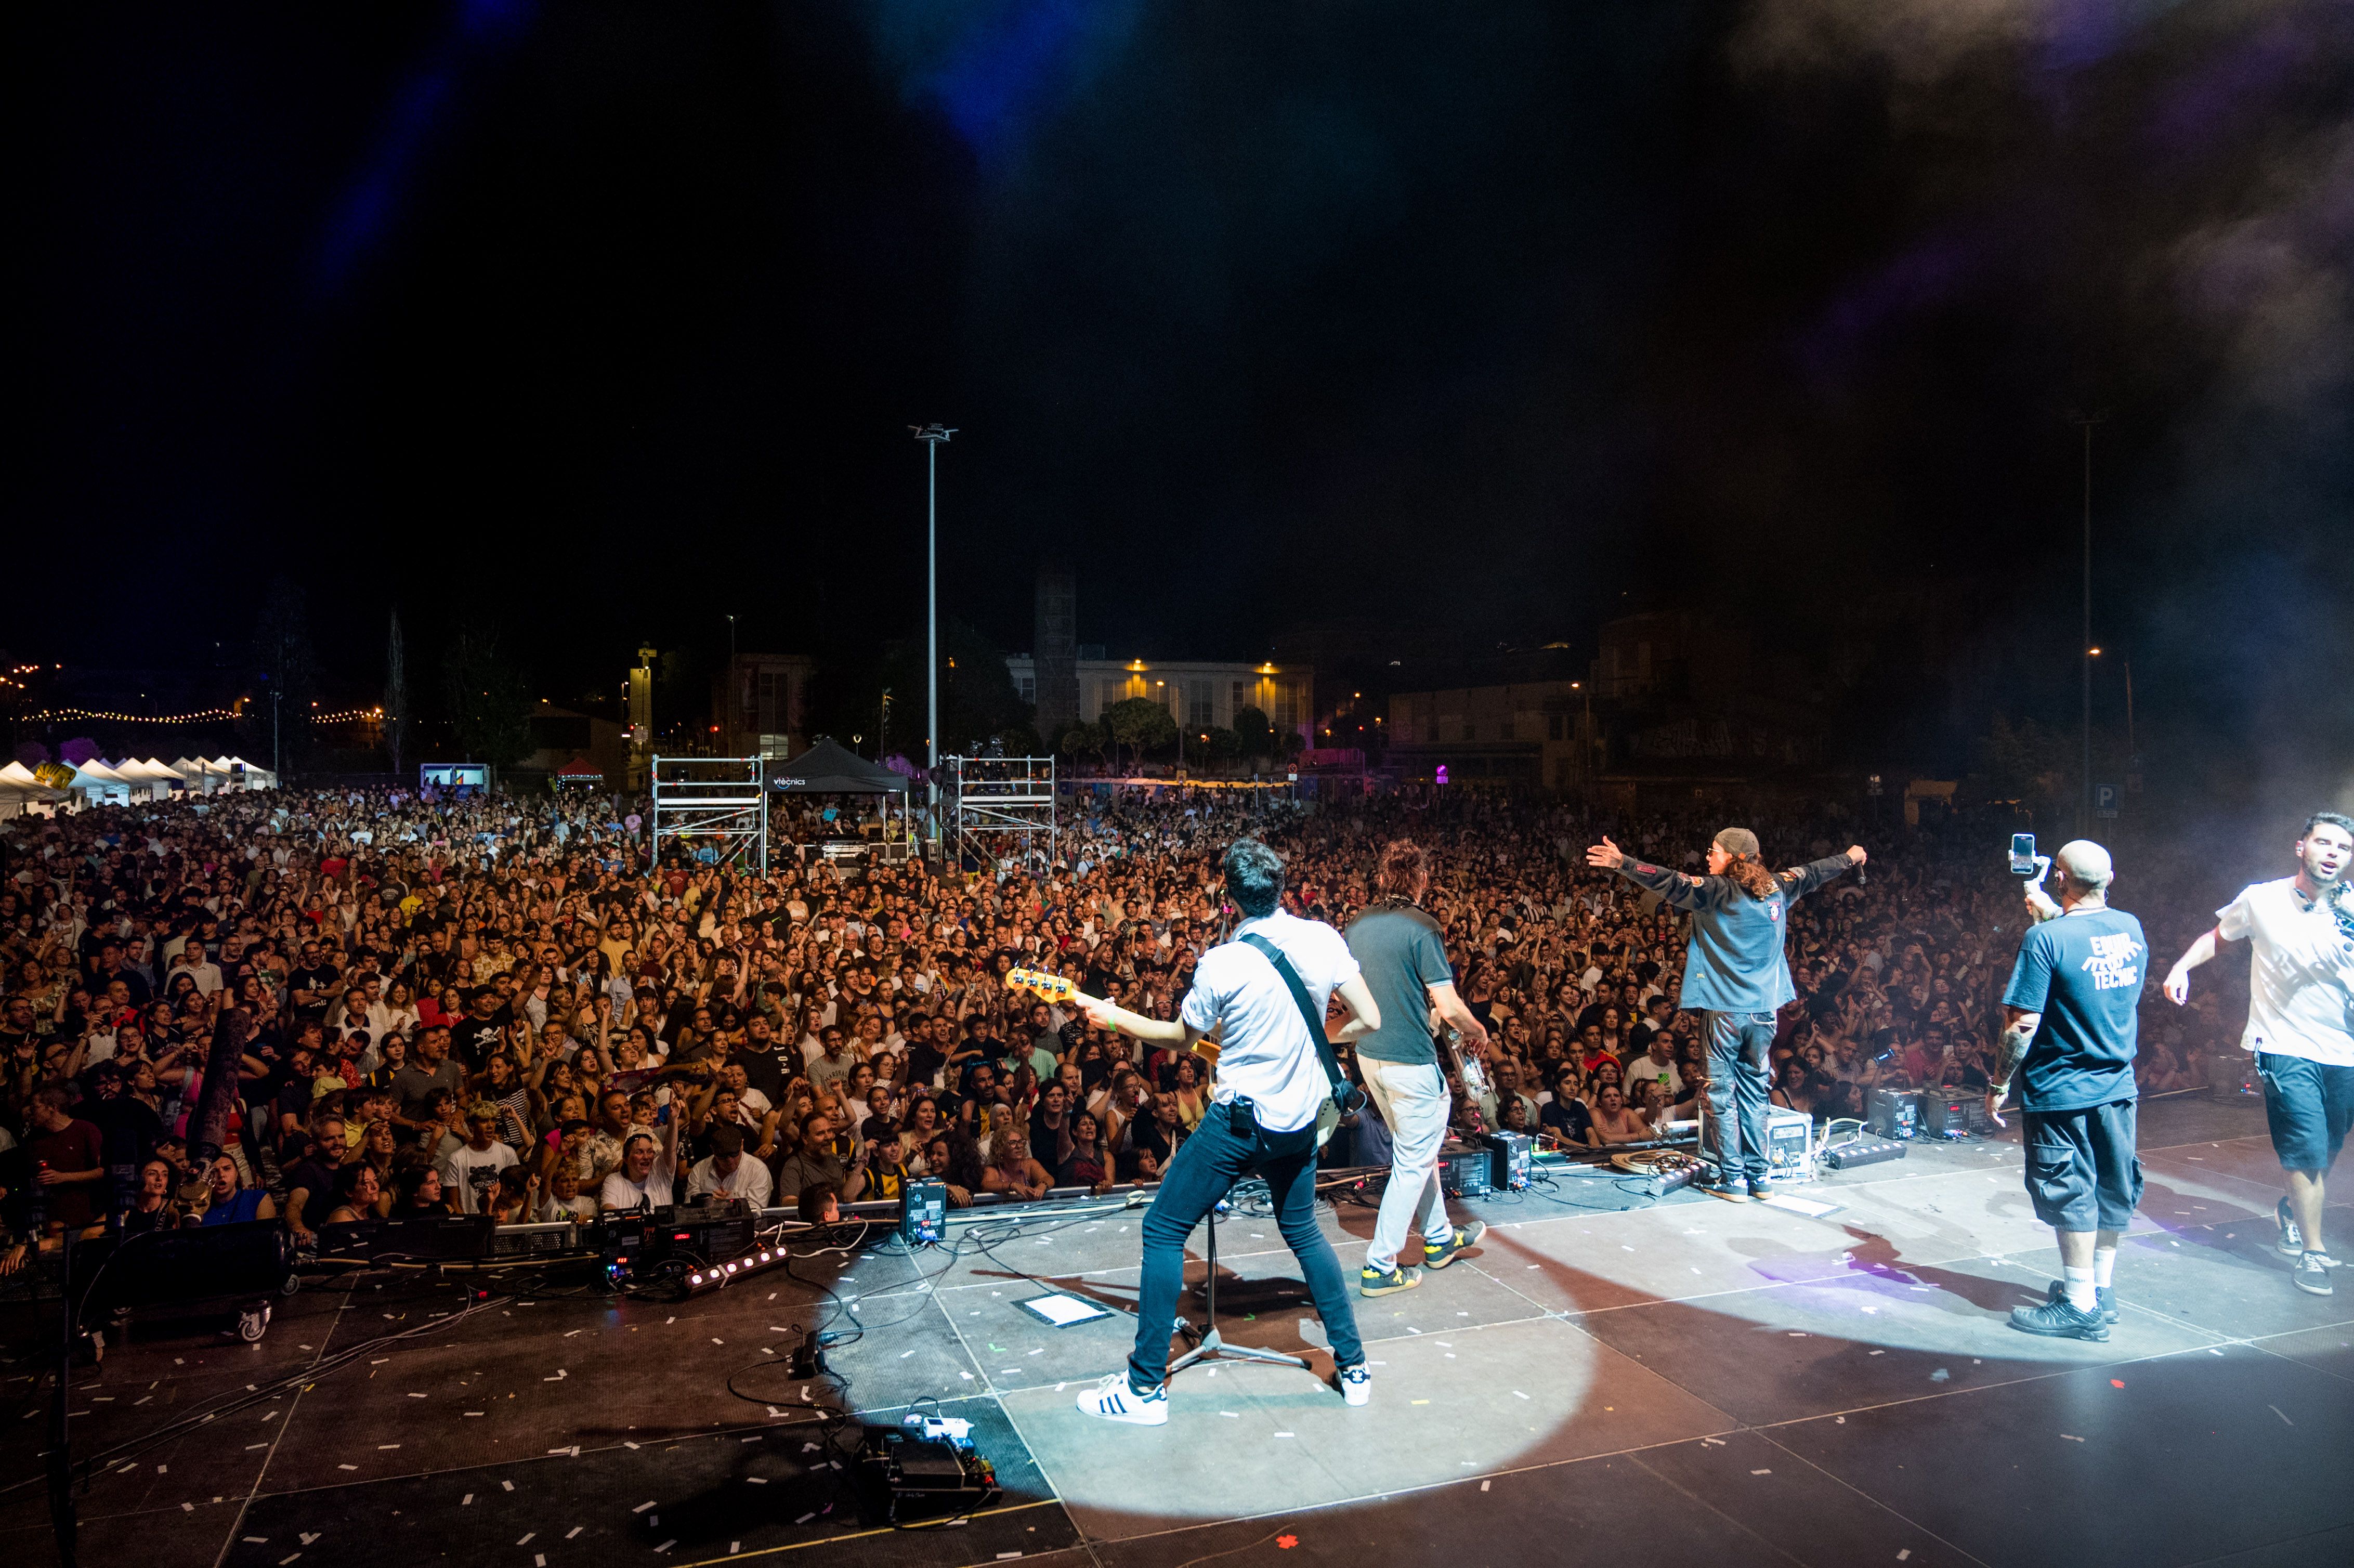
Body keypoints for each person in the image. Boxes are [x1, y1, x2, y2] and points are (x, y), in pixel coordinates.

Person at [1069, 837, 1381, 1426]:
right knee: (1304, 1233)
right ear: (1282, 886)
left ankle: (1142, 1390)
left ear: (1230, 898)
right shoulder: (1322, 938)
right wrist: (1313, 1036)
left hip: (1240, 1123)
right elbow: (1369, 1018)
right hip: (1300, 1124)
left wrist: (1112, 1016)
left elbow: (1178, 1039)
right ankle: (1356, 1367)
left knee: (1162, 1228)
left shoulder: (1222, 962)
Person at [1589, 827, 1862, 1200]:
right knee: (1754, 1093)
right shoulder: (1779, 886)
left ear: (1733, 857)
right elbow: (1815, 871)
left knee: (1721, 1095)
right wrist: (1849, 857)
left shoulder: (1715, 890)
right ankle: (1760, 1177)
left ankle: (1733, 1178)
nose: (1707, 857)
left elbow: (1669, 882)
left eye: (1713, 851)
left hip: (1726, 1014)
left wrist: (1623, 863)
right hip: (1765, 1015)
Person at [2163, 810, 2354, 1296]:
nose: (2334, 854)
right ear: (2301, 847)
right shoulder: (2261, 899)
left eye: (2344, 848)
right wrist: (2183, 967)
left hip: (2344, 1048)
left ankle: (2291, 1209)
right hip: (2282, 1044)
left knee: (2329, 1146)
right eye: (2324, 843)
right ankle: (2313, 1252)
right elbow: (2218, 938)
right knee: (2306, 1149)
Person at [1990, 841, 2146, 1340]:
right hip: (2117, 1085)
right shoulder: (2130, 927)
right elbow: (2086, 946)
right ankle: (2100, 1290)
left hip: (2063, 1089)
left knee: (2070, 1190)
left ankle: (2079, 1307)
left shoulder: (2046, 941)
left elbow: (2021, 1026)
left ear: (2060, 877)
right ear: (2111, 877)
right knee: (2111, 1185)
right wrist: (2051, 914)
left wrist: (1998, 1083)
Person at [1342, 838, 1490, 1296]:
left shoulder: (1357, 926)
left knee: (1416, 1150)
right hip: (1409, 1060)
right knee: (1412, 1160)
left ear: (1383, 878)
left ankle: (1441, 1238)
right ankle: (1380, 1265)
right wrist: (1478, 1030)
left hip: (1369, 1056)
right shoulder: (1422, 926)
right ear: (1422, 879)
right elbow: (1448, 1006)